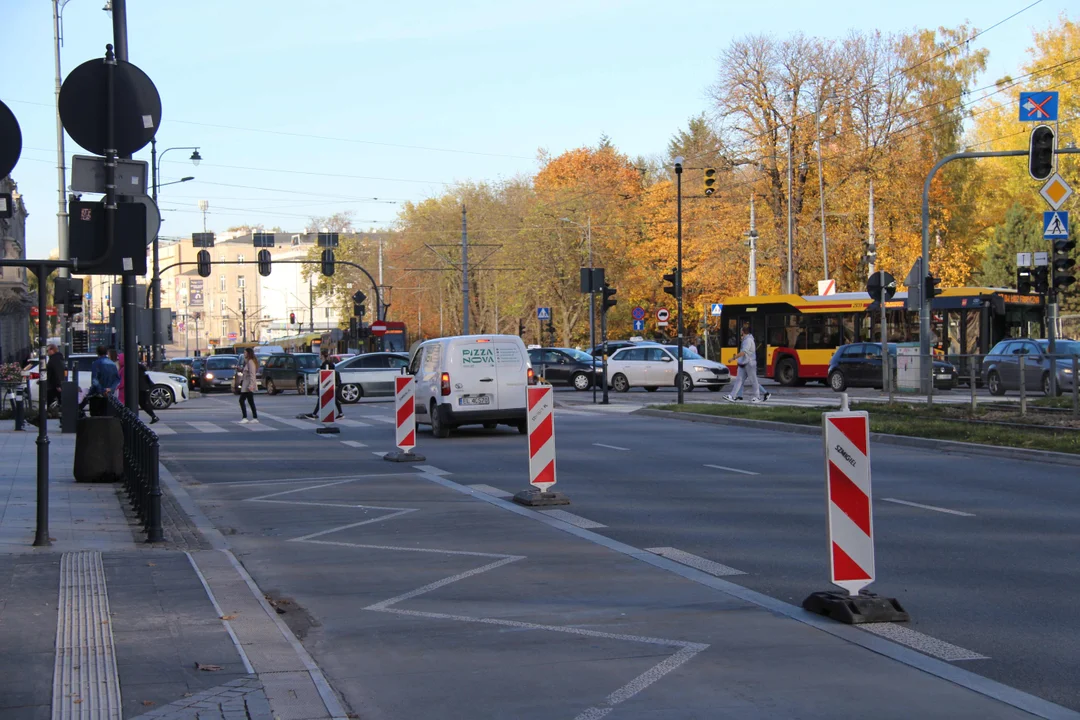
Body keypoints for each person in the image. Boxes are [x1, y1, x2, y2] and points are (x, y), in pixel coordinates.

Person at [724, 323, 770, 403]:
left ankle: (757, 397)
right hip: (744, 363)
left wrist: (733, 358)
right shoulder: (746, 339)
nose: (740, 332)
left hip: (749, 363)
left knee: (753, 380)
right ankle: (732, 396)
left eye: (741, 331)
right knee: (739, 380)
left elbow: (743, 352)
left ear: (743, 332)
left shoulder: (748, 340)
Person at [79, 346, 121, 415]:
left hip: (97, 395)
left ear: (97, 353)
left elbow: (95, 380)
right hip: (109, 395)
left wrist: (102, 390)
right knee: (107, 415)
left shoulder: (96, 363)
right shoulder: (112, 364)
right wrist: (111, 389)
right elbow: (117, 379)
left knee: (96, 416)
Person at [306, 349, 343, 419]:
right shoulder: (328, 363)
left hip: (327, 385)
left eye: (320, 354)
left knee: (323, 398)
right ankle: (340, 413)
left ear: (322, 355)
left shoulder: (326, 364)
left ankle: (314, 414)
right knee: (332, 399)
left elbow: (327, 374)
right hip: (329, 384)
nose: (319, 356)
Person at [238, 348, 259, 424]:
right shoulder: (248, 362)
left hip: (248, 385)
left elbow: (252, 375)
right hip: (246, 384)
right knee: (250, 401)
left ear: (248, 353)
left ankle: (245, 417)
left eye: (245, 352)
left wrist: (251, 385)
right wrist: (239, 369)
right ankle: (254, 417)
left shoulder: (250, 362)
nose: (244, 354)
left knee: (242, 400)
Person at [136, 359, 159, 424]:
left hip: (141, 388)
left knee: (143, 404)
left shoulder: (136, 368)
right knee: (143, 404)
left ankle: (153, 416)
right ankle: (153, 416)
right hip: (144, 388)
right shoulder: (141, 369)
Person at [45, 344, 66, 408]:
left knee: (52, 401)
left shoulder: (54, 359)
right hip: (53, 384)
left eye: (47, 350)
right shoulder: (56, 358)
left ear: (52, 350)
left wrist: (58, 385)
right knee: (58, 400)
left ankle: (53, 413)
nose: (47, 352)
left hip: (53, 385)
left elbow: (57, 372)